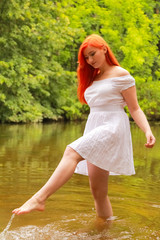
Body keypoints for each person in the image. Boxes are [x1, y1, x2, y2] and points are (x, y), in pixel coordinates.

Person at [12, 34, 155, 219]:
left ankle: (39, 198)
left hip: (112, 127)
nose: (90, 60)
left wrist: (147, 130)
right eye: (86, 58)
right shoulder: (93, 77)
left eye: (92, 54)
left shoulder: (122, 74)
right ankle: (105, 232)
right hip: (95, 126)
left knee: (71, 152)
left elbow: (135, 109)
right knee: (98, 192)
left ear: (104, 49)